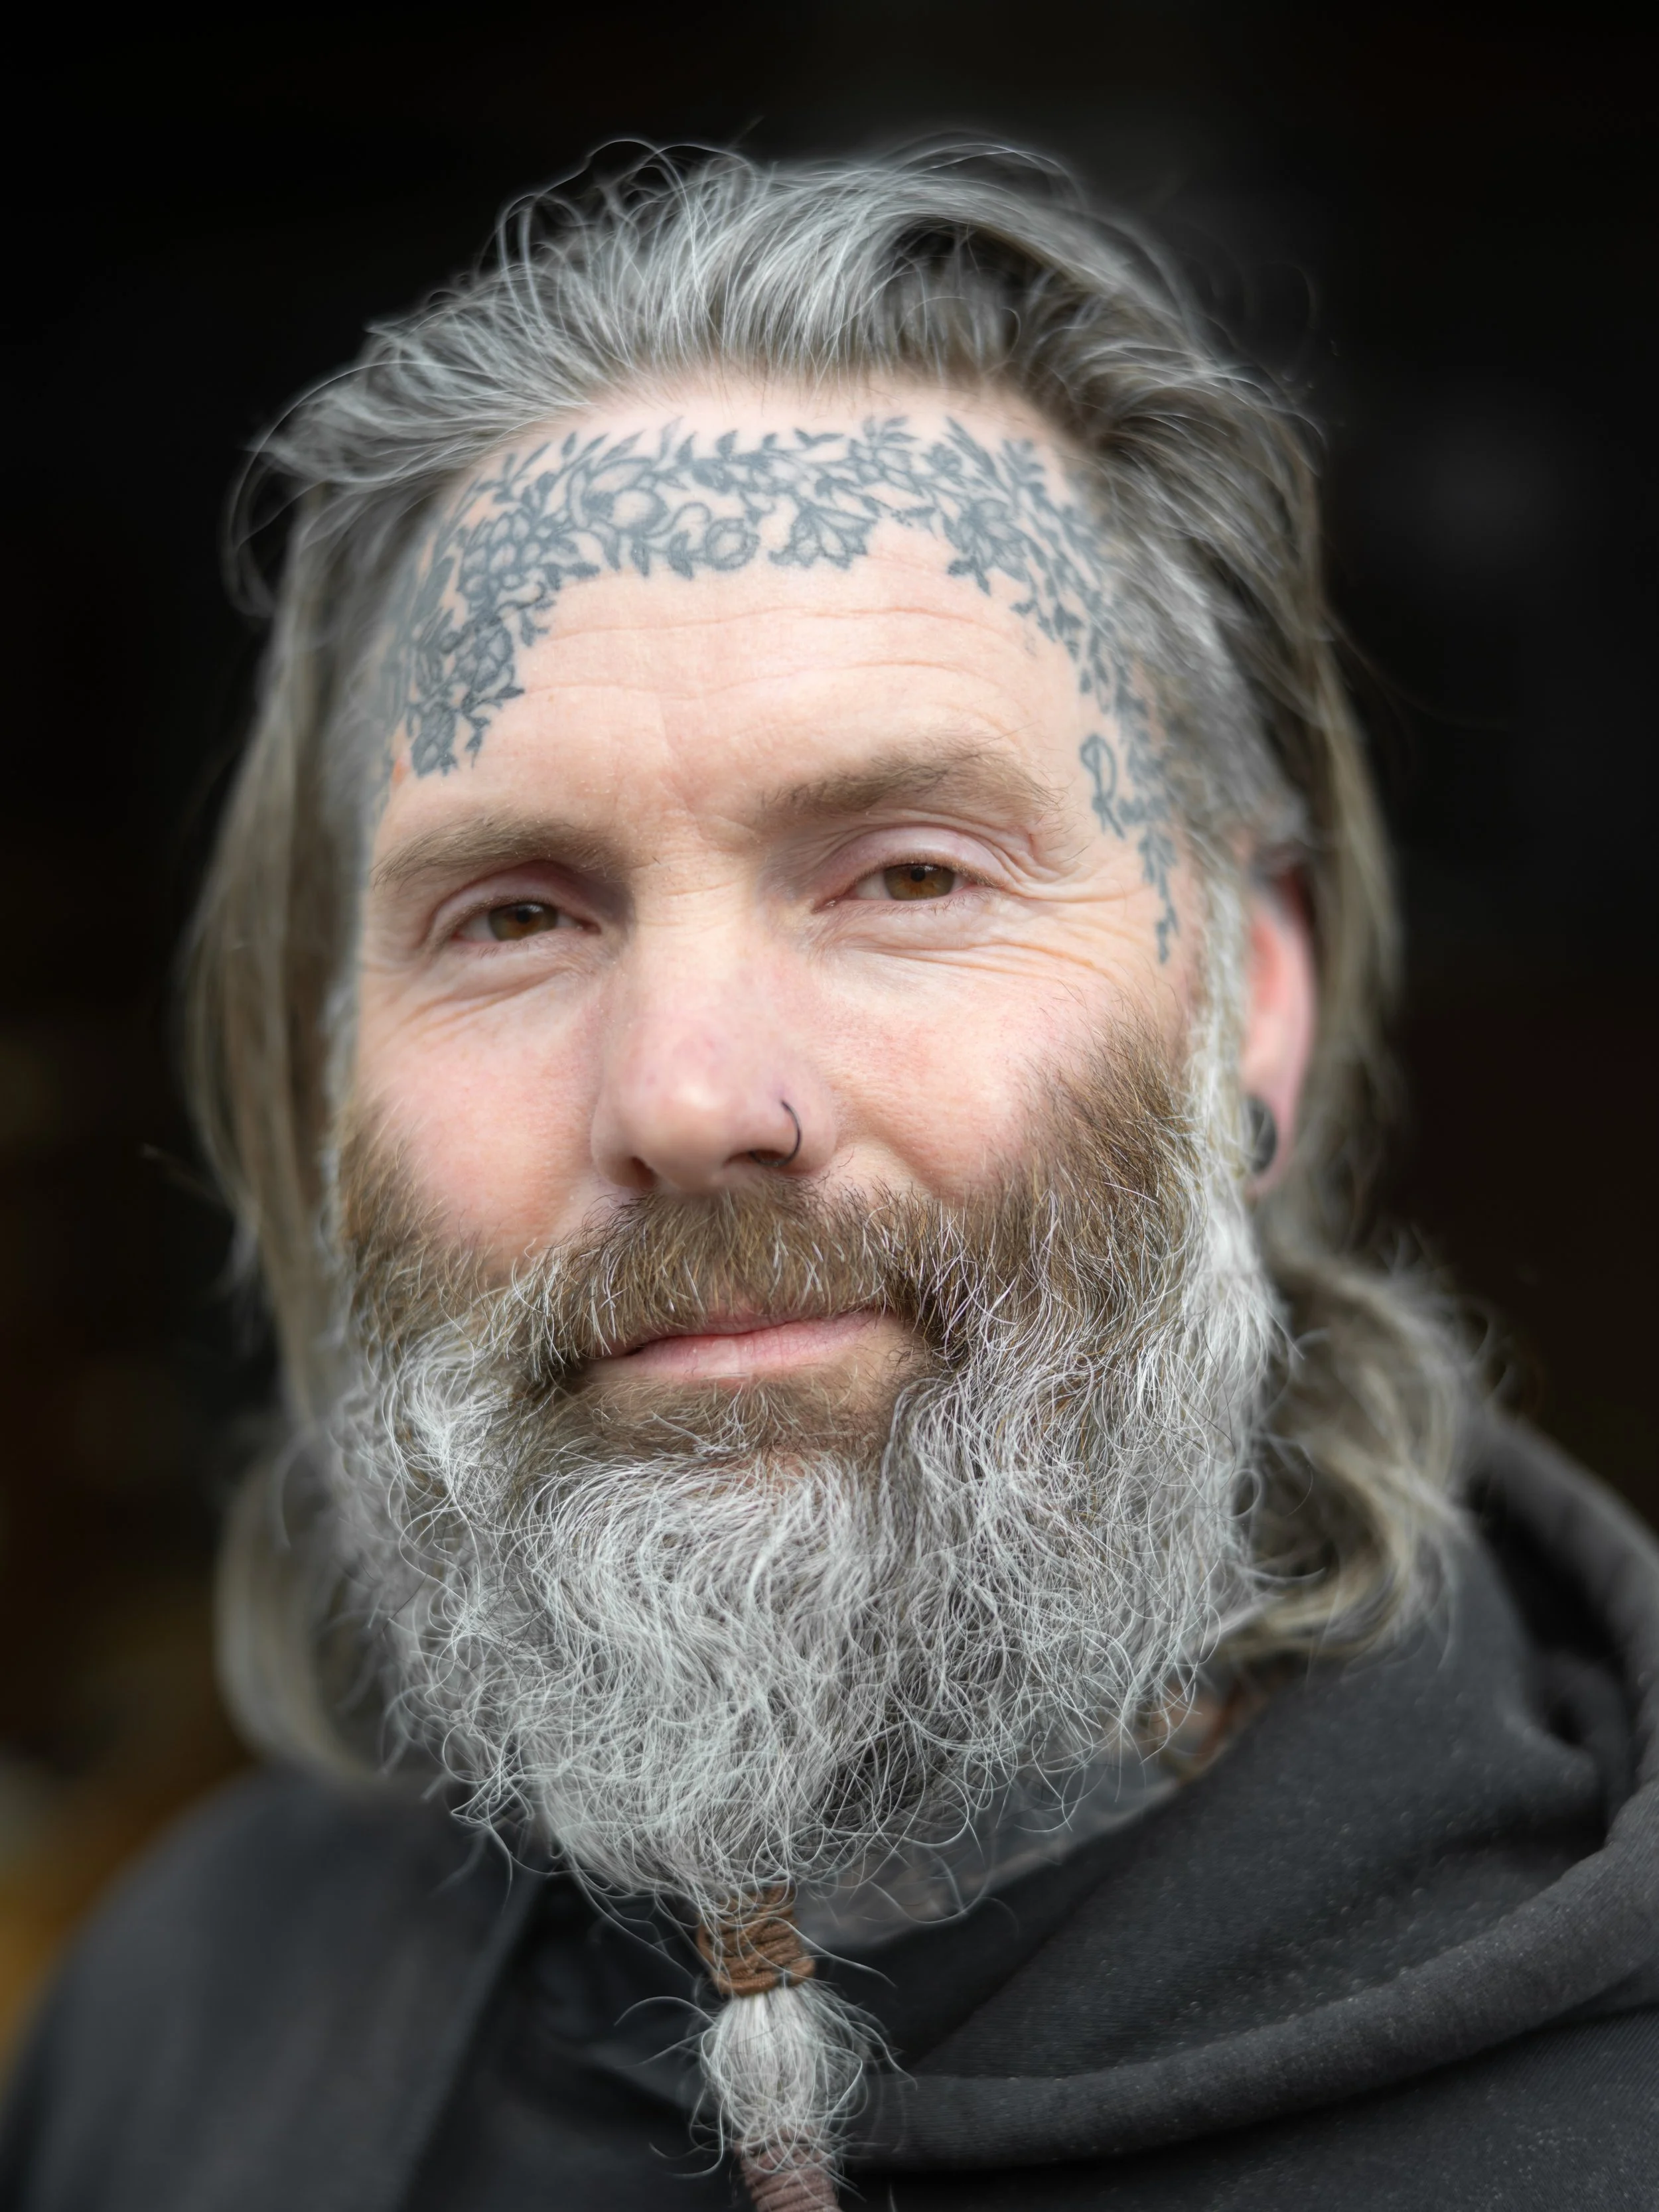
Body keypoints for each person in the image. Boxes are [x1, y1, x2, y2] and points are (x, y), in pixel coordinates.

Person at [1, 151, 1654, 2212]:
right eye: (514, 914)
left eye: (905, 874)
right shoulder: (178, 2033)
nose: (692, 1094)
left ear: (1250, 983)